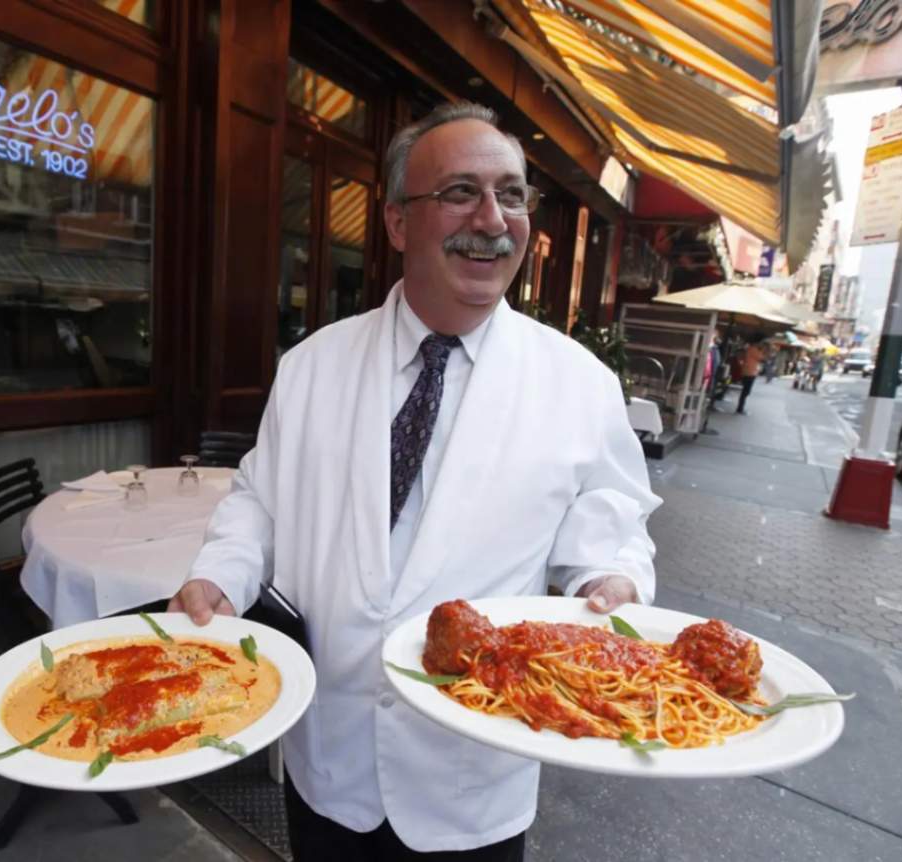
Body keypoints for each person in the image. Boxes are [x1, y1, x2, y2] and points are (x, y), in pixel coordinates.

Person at [168, 102, 660, 860]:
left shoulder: (580, 384)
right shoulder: (310, 368)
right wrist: (220, 574)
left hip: (472, 777)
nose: (492, 220)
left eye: (512, 194)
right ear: (398, 223)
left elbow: (611, 527)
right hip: (328, 760)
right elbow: (258, 501)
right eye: (460, 191)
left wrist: (613, 580)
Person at [736, 334, 765, 414]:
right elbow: (762, 358)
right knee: (746, 391)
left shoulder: (750, 348)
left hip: (748, 371)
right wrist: (762, 350)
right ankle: (740, 408)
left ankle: (740, 407)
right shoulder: (754, 349)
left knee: (745, 391)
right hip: (750, 372)